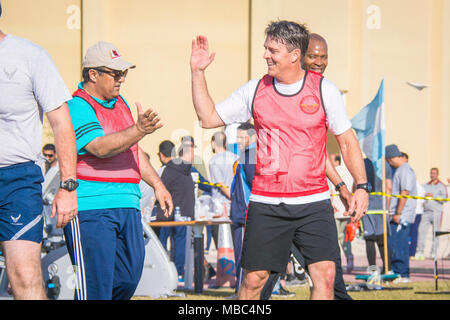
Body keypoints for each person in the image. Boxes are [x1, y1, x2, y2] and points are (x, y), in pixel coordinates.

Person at [190, 21, 369, 300]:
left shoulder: (324, 90)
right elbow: (208, 118)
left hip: (313, 204)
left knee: (325, 276)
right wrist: (197, 72)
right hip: (267, 203)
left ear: (294, 55)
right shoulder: (255, 90)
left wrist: (360, 185)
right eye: (266, 49)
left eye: (272, 50)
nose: (265, 55)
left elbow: (346, 140)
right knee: (253, 281)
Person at [64, 41, 173, 300]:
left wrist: (158, 185)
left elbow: (133, 151)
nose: (121, 79)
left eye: (123, 73)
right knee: (96, 288)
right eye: (115, 73)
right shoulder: (77, 105)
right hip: (92, 208)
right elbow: (99, 147)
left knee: (128, 278)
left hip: (127, 204)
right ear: (93, 74)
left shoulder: (120, 103)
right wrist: (138, 130)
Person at [0, 2, 78, 299]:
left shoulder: (30, 56)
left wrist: (68, 186)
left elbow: (61, 123)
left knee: (25, 276)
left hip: (17, 180)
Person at [156, 143, 196, 282]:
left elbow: (161, 189)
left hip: (168, 213)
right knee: (180, 244)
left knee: (162, 245)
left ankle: (166, 272)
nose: (192, 156)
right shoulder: (188, 170)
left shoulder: (168, 170)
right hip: (186, 212)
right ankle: (178, 273)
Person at [229, 122, 257, 297]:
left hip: (245, 214)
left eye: (242, 137)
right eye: (237, 137)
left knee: (243, 257)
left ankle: (240, 293)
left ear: (252, 136)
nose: (238, 141)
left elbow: (255, 186)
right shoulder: (246, 155)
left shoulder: (250, 156)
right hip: (243, 212)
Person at [385, 144, 417, 283]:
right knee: (394, 244)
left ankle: (403, 274)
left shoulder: (405, 170)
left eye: (388, 161)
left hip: (402, 215)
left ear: (392, 158)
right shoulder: (401, 169)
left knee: (400, 244)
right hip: (398, 214)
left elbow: (405, 192)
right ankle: (397, 271)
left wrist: (398, 212)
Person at [361, 158, 392, 273]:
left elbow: (357, 184)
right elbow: (388, 187)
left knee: (369, 239)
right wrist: (388, 206)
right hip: (380, 205)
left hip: (366, 205)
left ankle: (373, 270)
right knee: (382, 239)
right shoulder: (384, 164)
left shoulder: (362, 163)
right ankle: (387, 270)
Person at [415, 167, 448, 260]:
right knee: (421, 232)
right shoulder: (425, 185)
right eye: (431, 173)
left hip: (437, 212)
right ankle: (420, 252)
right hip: (426, 212)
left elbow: (445, 198)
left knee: (436, 233)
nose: (432, 175)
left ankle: (434, 252)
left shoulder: (441, 186)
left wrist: (435, 196)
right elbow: (420, 195)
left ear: (437, 174)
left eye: (434, 173)